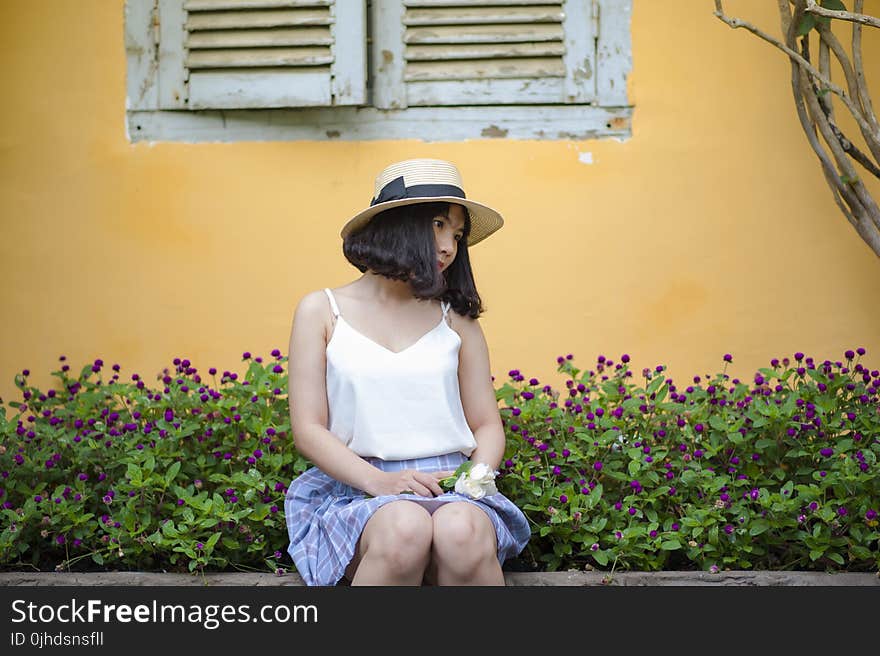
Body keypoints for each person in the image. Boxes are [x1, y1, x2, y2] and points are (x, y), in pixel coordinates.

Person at [283, 158, 530, 586]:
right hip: (361, 488)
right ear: (395, 225)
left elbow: (487, 424)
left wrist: (475, 478)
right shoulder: (322, 311)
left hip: (454, 489)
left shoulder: (457, 319)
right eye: (437, 224)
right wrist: (380, 482)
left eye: (457, 234)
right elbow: (308, 428)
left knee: (463, 532)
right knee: (403, 529)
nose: (450, 246)